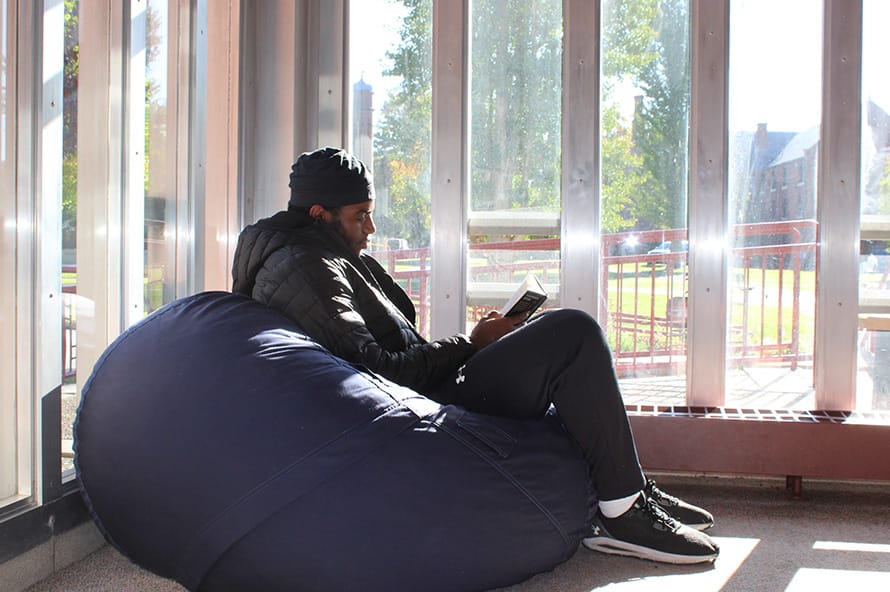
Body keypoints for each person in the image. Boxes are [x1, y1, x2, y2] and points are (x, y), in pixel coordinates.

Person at [231, 147, 720, 565]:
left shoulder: (323, 256)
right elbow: (374, 371)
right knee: (573, 332)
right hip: (417, 414)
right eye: (360, 215)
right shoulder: (306, 267)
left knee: (563, 334)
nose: (372, 227)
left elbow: (392, 352)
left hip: (425, 392)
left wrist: (480, 341)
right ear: (319, 214)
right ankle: (622, 513)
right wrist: (473, 344)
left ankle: (626, 491)